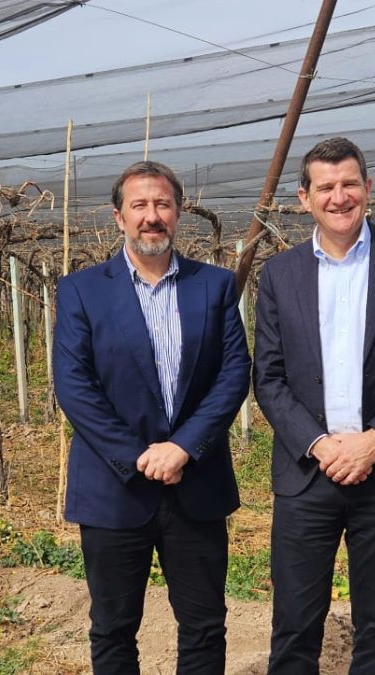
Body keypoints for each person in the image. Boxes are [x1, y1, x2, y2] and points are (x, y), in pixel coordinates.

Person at [253, 137, 375, 674]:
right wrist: (319, 445)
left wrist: (374, 440)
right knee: (293, 625)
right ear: (304, 198)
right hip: (306, 474)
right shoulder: (279, 274)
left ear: (367, 188)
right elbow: (267, 378)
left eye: (349, 184)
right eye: (326, 187)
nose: (339, 197)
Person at [53, 160, 251, 675]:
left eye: (162, 204)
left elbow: (233, 375)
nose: (151, 216)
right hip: (114, 487)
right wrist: (138, 455)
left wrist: (184, 446)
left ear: (179, 212)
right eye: (139, 205)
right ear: (118, 217)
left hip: (196, 482)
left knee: (205, 624)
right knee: (114, 628)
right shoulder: (82, 290)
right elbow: (75, 387)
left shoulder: (215, 286)